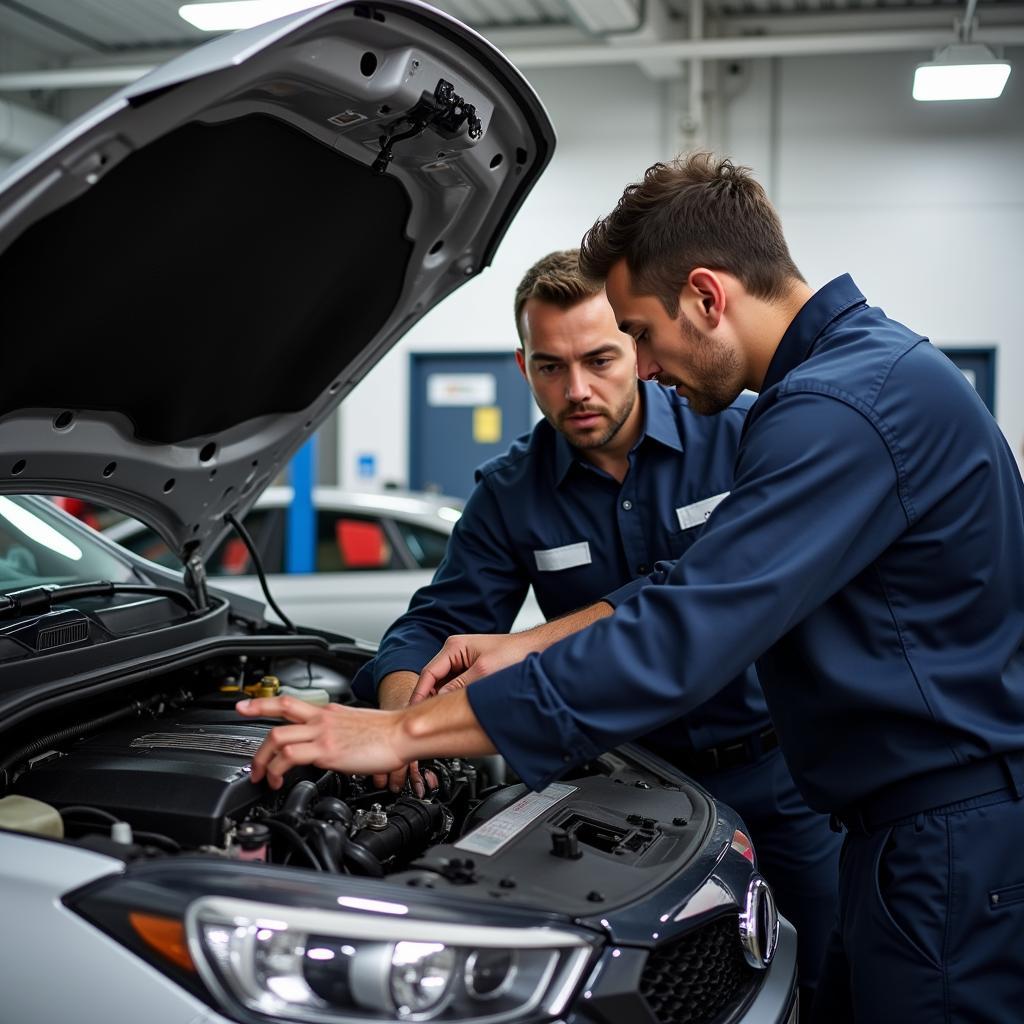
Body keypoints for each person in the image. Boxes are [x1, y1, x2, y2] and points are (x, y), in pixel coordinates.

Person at [239, 154, 1024, 1023]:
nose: (639, 371)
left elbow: (680, 633)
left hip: (925, 831)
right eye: (552, 366)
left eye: (636, 337)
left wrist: (403, 732)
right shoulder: (861, 378)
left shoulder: (829, 413)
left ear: (707, 296)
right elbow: (680, 585)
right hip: (851, 816)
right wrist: (515, 648)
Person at [349, 249, 839, 1005]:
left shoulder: (741, 438)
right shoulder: (512, 493)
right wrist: (400, 712)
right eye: (550, 366)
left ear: (638, 349)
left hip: (782, 777)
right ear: (523, 366)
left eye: (600, 358)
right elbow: (440, 622)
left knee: (825, 979)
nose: (576, 390)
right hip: (629, 796)